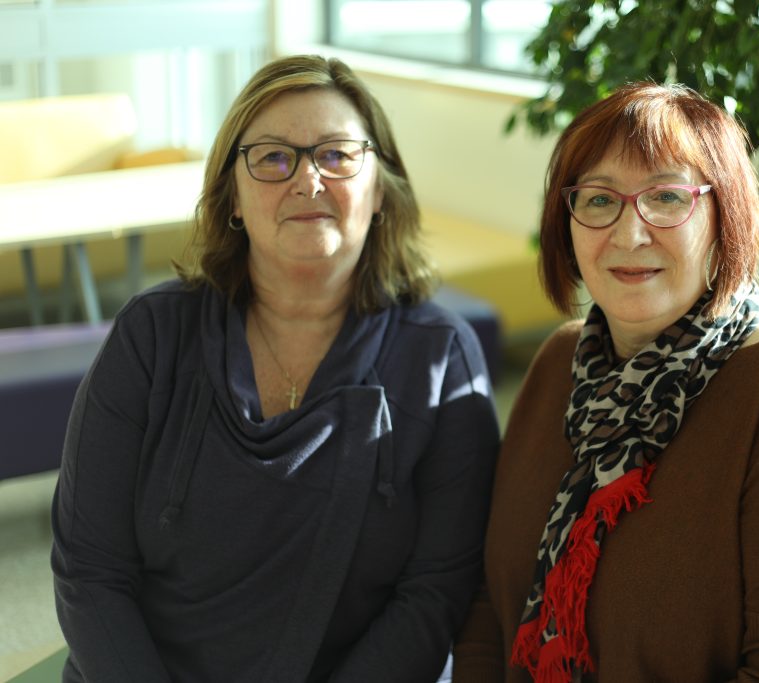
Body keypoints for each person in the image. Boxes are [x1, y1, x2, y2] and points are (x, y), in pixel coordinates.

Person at [51, 54, 500, 682]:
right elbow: (90, 572)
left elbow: (434, 592)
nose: (308, 181)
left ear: (380, 192)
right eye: (273, 157)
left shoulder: (440, 356)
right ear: (233, 194)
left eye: (338, 155)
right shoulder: (151, 335)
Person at [453, 83, 759, 682]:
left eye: (666, 197)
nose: (630, 234)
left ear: (724, 218)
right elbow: (491, 600)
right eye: (599, 199)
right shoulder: (559, 361)